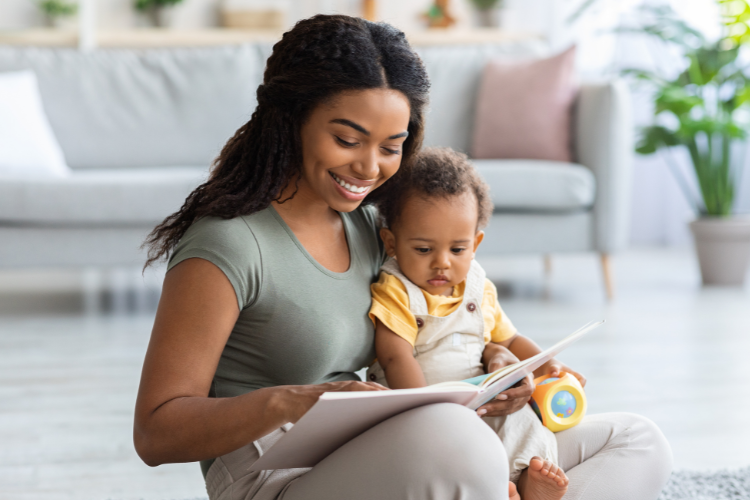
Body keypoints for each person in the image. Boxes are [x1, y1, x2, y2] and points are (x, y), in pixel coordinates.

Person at [133, 14, 674, 500]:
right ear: (291, 120)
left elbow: (448, 316)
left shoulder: (376, 224)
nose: (370, 168)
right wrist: (294, 402)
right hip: (279, 479)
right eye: (348, 139)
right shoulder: (228, 244)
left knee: (637, 441)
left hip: (391, 444)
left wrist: (499, 365)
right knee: (459, 443)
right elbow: (156, 433)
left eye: (392, 147)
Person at [366, 147, 569, 500]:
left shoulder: (478, 287)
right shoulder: (396, 289)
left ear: (475, 244)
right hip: (422, 408)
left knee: (523, 423)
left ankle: (528, 479)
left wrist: (548, 365)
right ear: (392, 243)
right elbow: (395, 357)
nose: (442, 264)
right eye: (424, 250)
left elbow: (510, 338)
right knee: (461, 449)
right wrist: (427, 411)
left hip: (480, 397)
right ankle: (493, 485)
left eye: (457, 250)